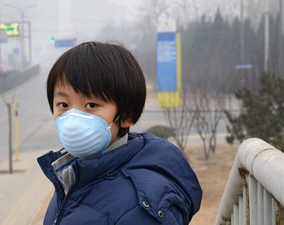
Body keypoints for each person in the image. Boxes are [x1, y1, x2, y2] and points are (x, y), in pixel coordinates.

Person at [37, 41, 202, 224]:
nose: (72, 119)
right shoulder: (74, 177)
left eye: (91, 105)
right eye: (64, 105)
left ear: (126, 114)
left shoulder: (140, 208)